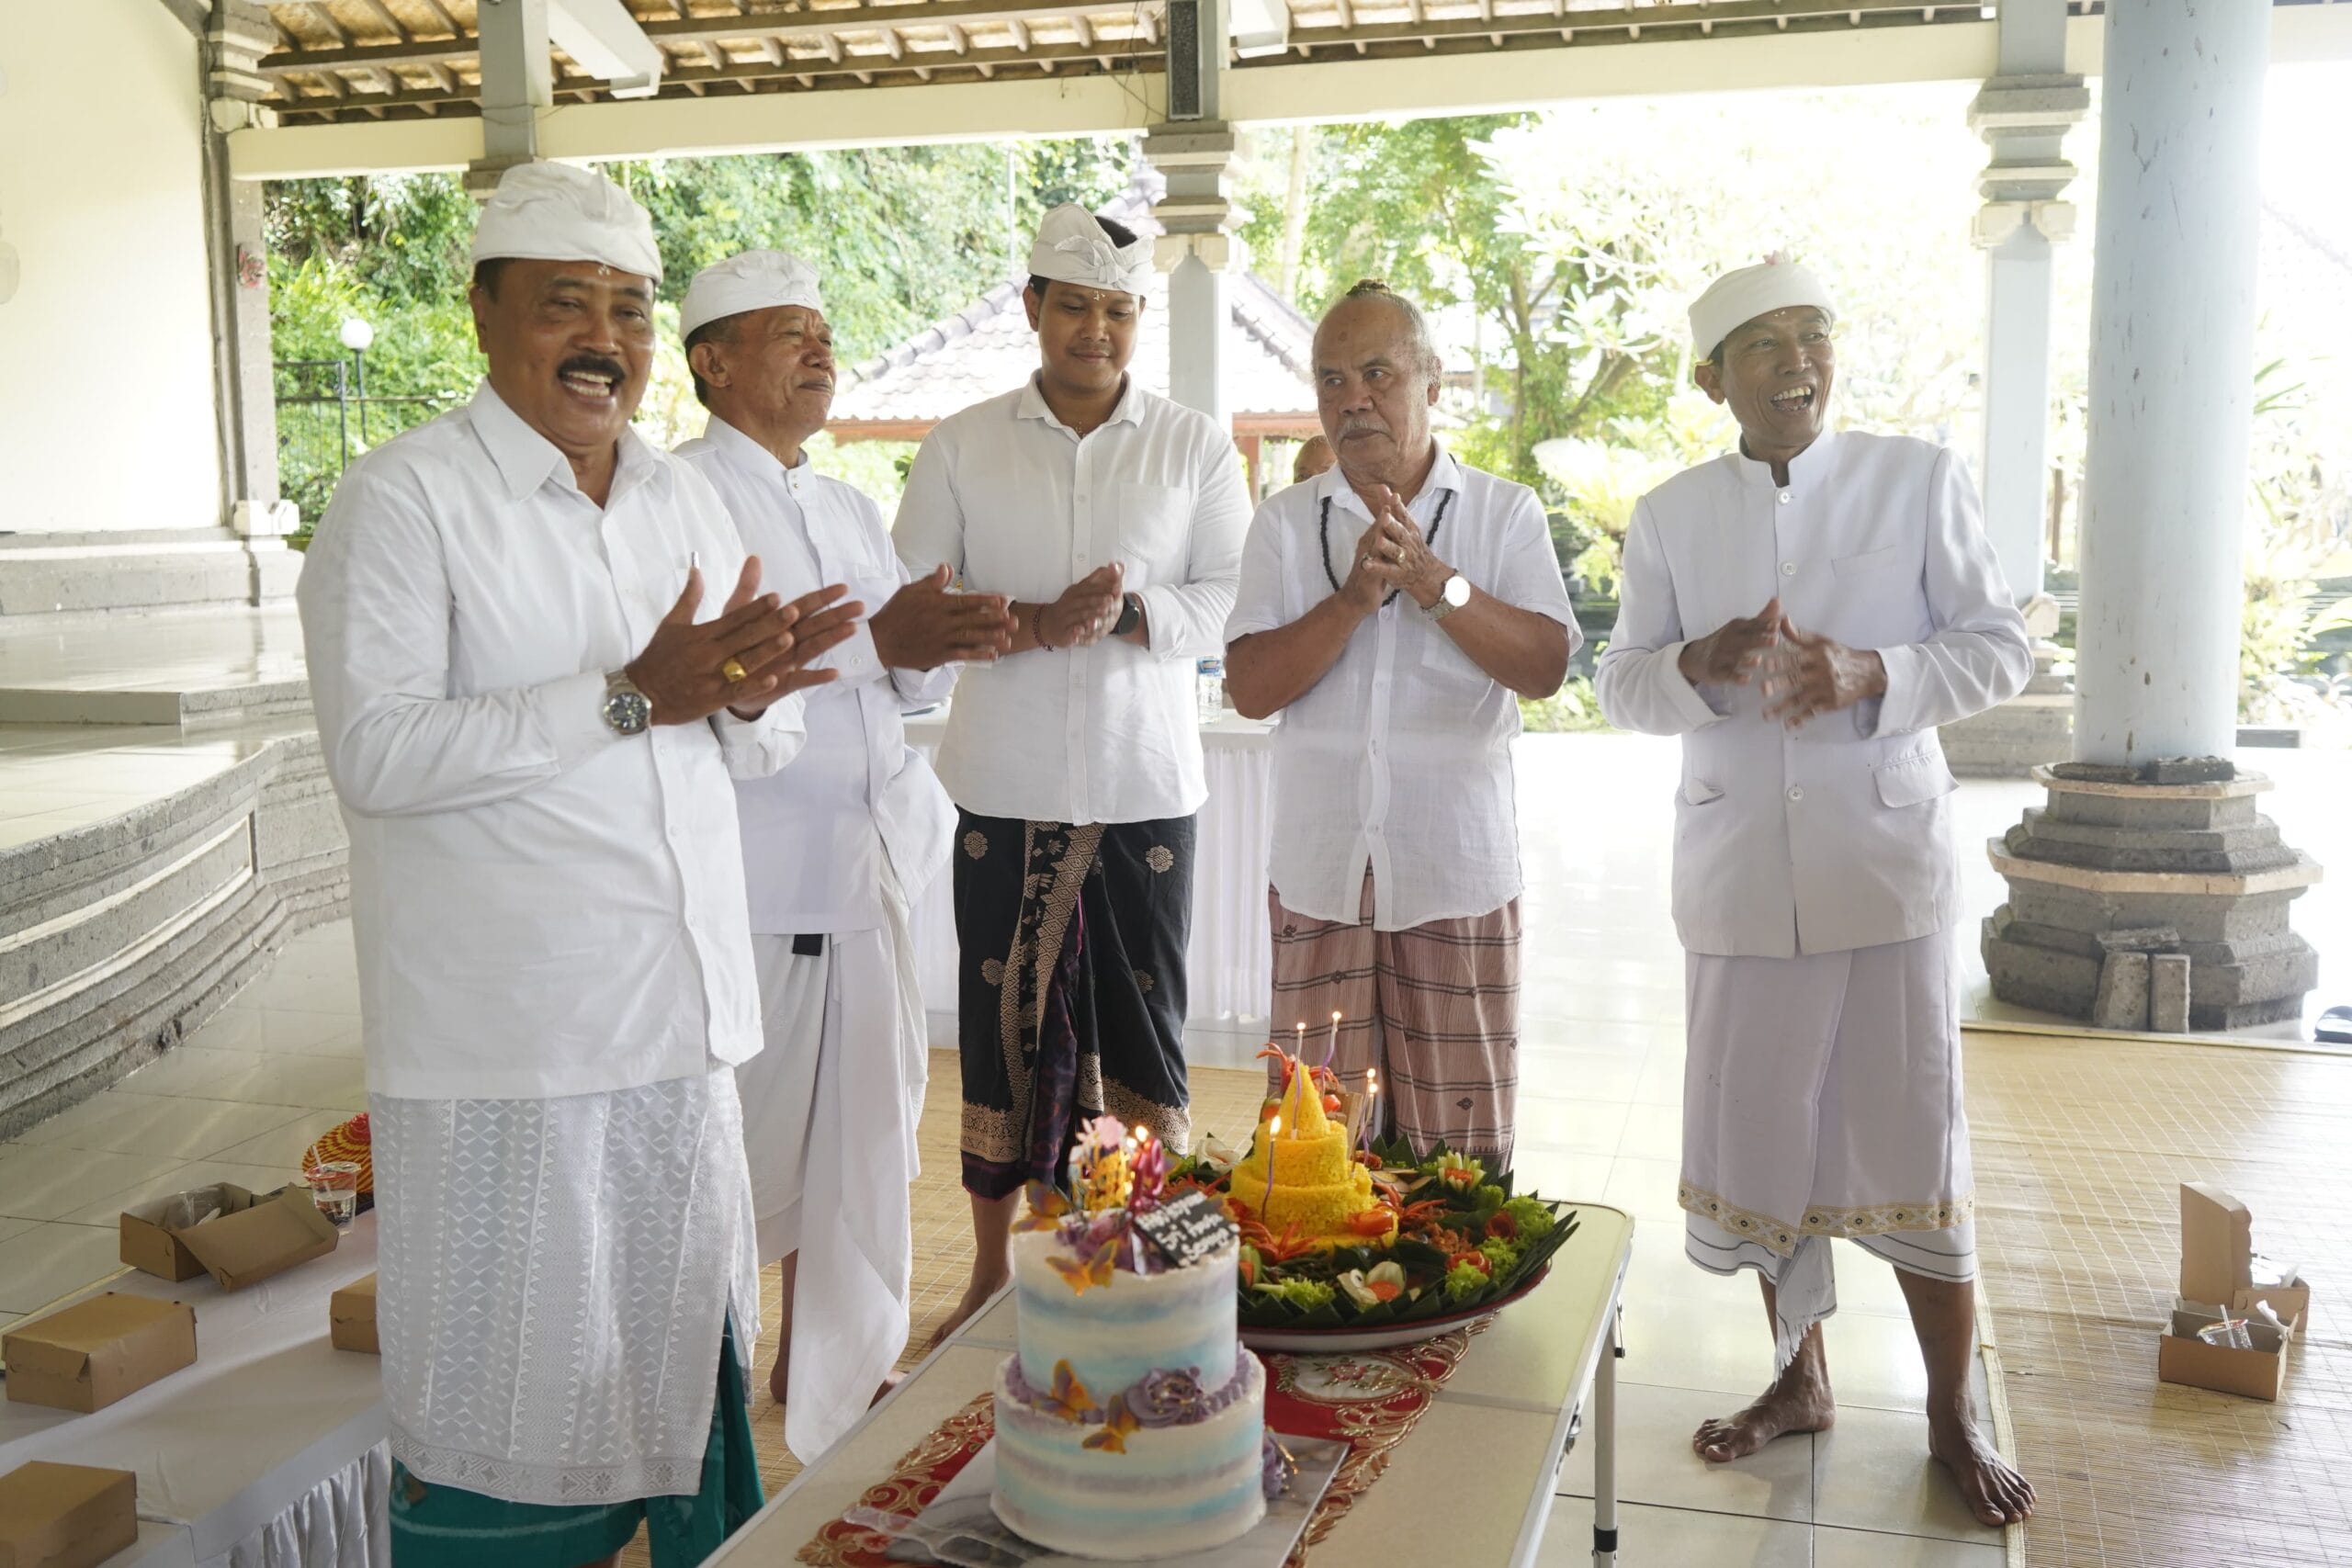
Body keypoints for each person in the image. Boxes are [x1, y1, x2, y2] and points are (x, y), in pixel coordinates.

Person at [298, 164, 858, 1568]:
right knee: (515, 1403)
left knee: (679, 1375)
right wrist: (630, 692)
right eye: (565, 306)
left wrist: (740, 693)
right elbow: (378, 753)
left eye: (626, 308)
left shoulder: (677, 498)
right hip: (513, 1054)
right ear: (485, 313)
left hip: (680, 1032)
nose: (602, 338)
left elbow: (761, 734)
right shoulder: (403, 500)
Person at [1594, 256, 2036, 1528]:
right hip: (1739, 878)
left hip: (1882, 868)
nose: (1798, 358)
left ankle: (1952, 1410)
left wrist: (1872, 671)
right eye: (1765, 341)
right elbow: (1620, 682)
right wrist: (1701, 657)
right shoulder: (1672, 510)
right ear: (1710, 377)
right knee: (1767, 1139)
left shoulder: (1916, 476)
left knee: (1909, 1135)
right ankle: (1801, 1377)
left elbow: (1997, 645)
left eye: (1814, 334)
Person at [672, 250, 1013, 1458]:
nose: (820, 350)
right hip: (760, 890)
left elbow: (899, 673)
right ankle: (696, 1409)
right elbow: (727, 691)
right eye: (787, 332)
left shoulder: (846, 503)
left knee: (863, 1152)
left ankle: (835, 1381)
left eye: (825, 329)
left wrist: (946, 633)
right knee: (734, 1171)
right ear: (712, 361)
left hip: (867, 873)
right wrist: (887, 638)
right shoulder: (680, 502)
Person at [893, 205, 1250, 1337]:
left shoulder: (1191, 442)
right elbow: (911, 600)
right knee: (1000, 1031)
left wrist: (1132, 610)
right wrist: (1028, 622)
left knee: (1145, 1026)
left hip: (1145, 787)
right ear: (1033, 308)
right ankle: (994, 1271)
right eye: (1075, 306)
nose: (1095, 329)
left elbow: (1234, 596)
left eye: (1116, 310)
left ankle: (1141, 1261)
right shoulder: (961, 441)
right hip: (1002, 783)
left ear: (1136, 318)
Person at [1225, 280, 1574, 1166]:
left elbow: (1545, 666)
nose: (1353, 399)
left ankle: (1459, 1310)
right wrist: (1350, 602)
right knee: (1313, 1157)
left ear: (1433, 381)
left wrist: (1435, 583)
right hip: (1320, 879)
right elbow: (1251, 687)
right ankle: (1334, 1306)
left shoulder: (1504, 511)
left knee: (1460, 1157)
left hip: (1452, 875)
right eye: (1332, 380)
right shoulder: (1283, 522)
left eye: (1377, 373)